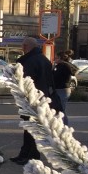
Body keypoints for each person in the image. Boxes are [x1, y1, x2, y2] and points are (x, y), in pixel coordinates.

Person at [11, 36, 58, 165]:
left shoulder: (29, 61)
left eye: (23, 46)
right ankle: (27, 153)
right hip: (42, 98)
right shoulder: (44, 60)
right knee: (33, 127)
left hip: (31, 99)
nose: (22, 48)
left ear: (26, 47)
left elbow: (26, 82)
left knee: (30, 128)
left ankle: (30, 155)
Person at [52, 50, 78, 126]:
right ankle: (62, 125)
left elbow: (74, 71)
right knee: (59, 109)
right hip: (59, 89)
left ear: (60, 58)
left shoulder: (65, 65)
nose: (55, 59)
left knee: (61, 109)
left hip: (63, 90)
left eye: (56, 58)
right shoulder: (58, 66)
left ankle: (63, 126)